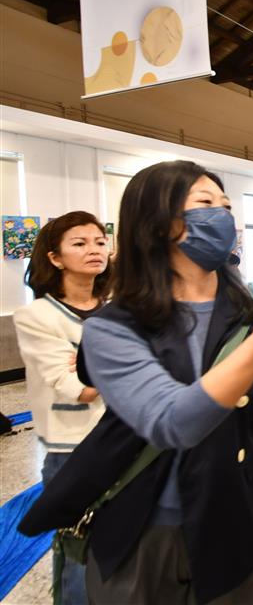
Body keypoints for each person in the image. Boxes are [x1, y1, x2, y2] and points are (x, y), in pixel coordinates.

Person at [20, 161, 253, 603]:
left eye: (226, 206)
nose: (222, 216)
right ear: (159, 223)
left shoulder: (250, 318)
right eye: (205, 203)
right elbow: (173, 422)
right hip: (140, 534)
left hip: (236, 530)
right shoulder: (114, 328)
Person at [13, 211, 112, 605]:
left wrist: (93, 364)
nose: (94, 250)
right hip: (71, 449)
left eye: (100, 242)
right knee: (78, 557)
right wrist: (121, 367)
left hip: (123, 440)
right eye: (80, 243)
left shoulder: (118, 308)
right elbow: (77, 388)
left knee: (122, 551)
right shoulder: (36, 316)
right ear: (54, 257)